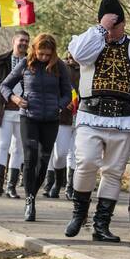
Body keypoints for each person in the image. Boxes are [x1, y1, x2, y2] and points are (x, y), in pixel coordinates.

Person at [66, 0, 130, 242]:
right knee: (85, 162)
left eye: (116, 25)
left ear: (124, 24)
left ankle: (101, 224)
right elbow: (78, 55)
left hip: (124, 118)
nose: (112, 30)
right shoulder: (90, 41)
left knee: (114, 172)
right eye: (109, 25)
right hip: (90, 115)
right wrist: (101, 29)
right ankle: (79, 212)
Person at [1, 33, 74, 222]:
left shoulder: (60, 67)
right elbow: (5, 86)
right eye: (41, 54)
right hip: (29, 118)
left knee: (43, 160)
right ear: (35, 50)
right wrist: (16, 99)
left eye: (47, 55)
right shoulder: (25, 64)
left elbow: (68, 93)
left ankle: (32, 191)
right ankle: (30, 200)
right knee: (30, 156)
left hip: (50, 119)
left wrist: (59, 104)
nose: (43, 58)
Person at [0, 31, 30, 198]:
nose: (24, 44)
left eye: (27, 41)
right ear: (14, 41)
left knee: (18, 148)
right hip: (3, 110)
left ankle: (11, 185)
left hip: (24, 110)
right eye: (21, 40)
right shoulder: (1, 60)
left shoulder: (31, 61)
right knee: (3, 145)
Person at [42, 56, 78, 199]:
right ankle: (52, 182)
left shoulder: (90, 67)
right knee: (59, 152)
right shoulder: (60, 67)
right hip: (63, 116)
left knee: (75, 153)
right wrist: (63, 100)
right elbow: (51, 89)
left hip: (83, 116)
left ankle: (70, 187)